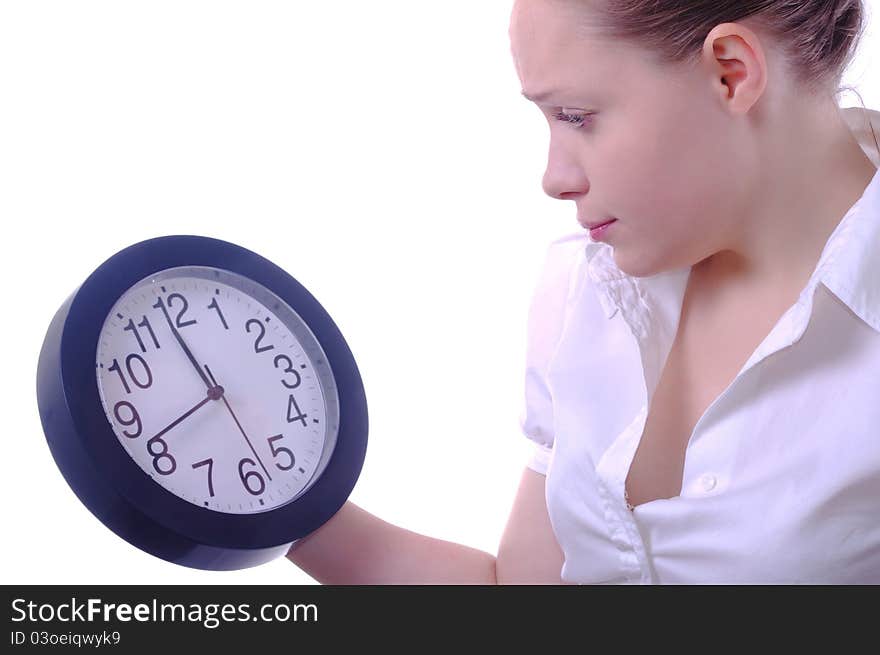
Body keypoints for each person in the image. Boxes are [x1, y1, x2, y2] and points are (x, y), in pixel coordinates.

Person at [287, 0, 880, 584]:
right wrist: (285, 509)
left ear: (731, 71)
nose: (555, 179)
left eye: (575, 116)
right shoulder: (587, 287)